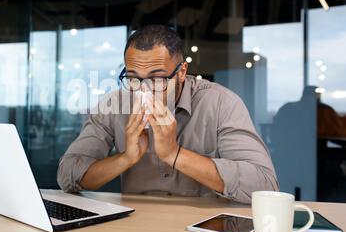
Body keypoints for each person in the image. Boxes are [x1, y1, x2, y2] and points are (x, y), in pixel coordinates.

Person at [57, 25, 278, 204]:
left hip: (205, 227)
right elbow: (68, 177)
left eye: (157, 79)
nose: (143, 90)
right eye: (133, 77)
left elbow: (264, 185)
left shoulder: (221, 103)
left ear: (181, 72)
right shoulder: (114, 104)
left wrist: (174, 154)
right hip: (135, 225)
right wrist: (126, 158)